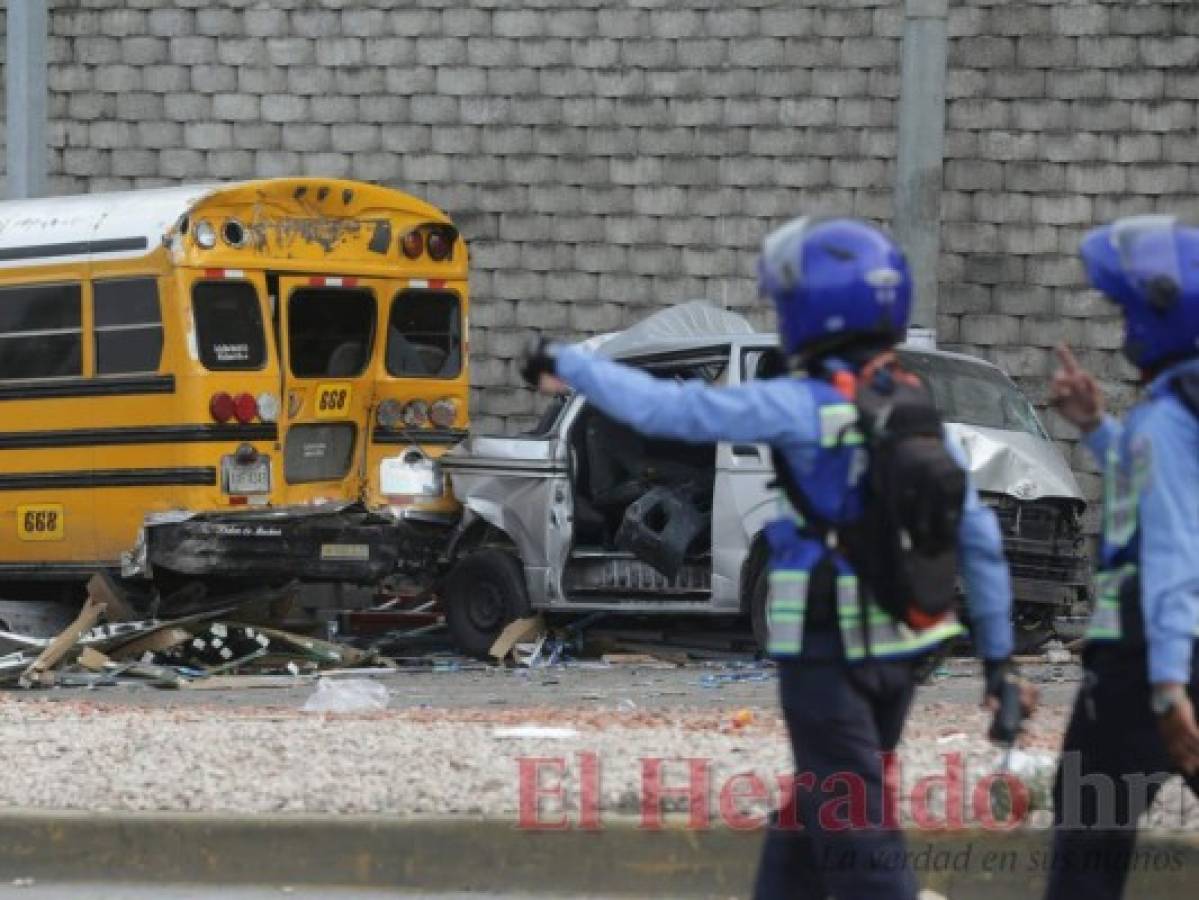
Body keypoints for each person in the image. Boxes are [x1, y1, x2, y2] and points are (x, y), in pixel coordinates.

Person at [521, 217, 1029, 899]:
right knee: (815, 807)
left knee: (852, 833)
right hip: (903, 651)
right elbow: (977, 539)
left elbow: (672, 411)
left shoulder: (805, 405)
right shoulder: (914, 408)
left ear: (813, 312)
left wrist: (571, 362)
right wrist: (997, 661)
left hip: (826, 649)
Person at [1045, 216, 1199, 899]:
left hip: (1145, 659)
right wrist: (1094, 428)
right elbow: (1151, 485)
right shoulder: (1179, 410)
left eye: (1126, 315)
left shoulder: (1166, 421)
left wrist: (1167, 688)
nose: (1123, 330)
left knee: (1086, 823)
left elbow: (1170, 549)